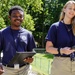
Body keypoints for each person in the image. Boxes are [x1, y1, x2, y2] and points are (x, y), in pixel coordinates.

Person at [0, 5, 36, 75]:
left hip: (24, 69)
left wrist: (30, 59)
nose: (18, 18)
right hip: (7, 70)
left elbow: (31, 51)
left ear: (23, 18)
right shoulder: (2, 33)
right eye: (15, 16)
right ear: (9, 17)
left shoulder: (28, 34)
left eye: (20, 16)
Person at [45, 0, 75, 75]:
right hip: (60, 65)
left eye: (74, 9)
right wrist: (62, 50)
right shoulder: (55, 27)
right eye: (70, 8)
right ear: (64, 9)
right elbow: (48, 48)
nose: (72, 11)